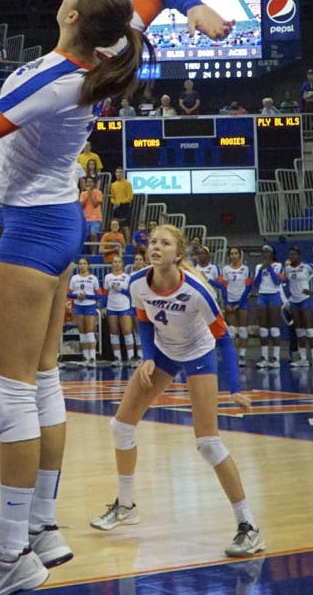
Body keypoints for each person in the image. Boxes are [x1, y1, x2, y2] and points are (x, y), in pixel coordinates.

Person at [0, 0, 234, 595]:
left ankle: (10, 554)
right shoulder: (108, 51)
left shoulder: (59, 80)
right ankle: (44, 528)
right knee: (43, 381)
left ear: (74, 15)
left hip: (31, 228)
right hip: (58, 221)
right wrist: (199, 9)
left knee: (12, 393)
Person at [89, 225, 264, 558]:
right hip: (164, 351)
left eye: (165, 243)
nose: (156, 246)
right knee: (121, 426)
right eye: (153, 241)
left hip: (199, 352)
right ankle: (126, 506)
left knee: (207, 443)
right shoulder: (137, 282)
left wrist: (236, 388)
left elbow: (224, 339)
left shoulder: (197, 290)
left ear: (178, 254)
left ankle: (249, 527)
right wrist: (149, 358)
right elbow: (142, 319)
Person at [283, 246, 313, 369]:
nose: (291, 257)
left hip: (306, 300)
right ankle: (303, 359)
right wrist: (289, 292)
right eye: (290, 254)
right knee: (299, 331)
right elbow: (283, 282)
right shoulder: (287, 269)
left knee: (309, 329)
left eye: (293, 254)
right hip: (294, 302)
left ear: (298, 255)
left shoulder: (308, 266)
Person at [217, 247, 252, 367]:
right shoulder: (225, 269)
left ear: (240, 255)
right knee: (231, 331)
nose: (233, 256)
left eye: (236, 253)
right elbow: (223, 287)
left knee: (243, 329)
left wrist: (240, 303)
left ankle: (242, 356)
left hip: (242, 302)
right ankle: (232, 356)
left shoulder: (246, 269)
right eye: (231, 254)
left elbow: (248, 287)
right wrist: (226, 302)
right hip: (230, 302)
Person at [252, 246, 286, 369]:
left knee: (274, 328)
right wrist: (262, 269)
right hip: (262, 295)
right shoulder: (258, 267)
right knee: (263, 329)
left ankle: (275, 358)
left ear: (272, 253)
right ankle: (264, 357)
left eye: (267, 251)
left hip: (274, 295)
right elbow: (255, 284)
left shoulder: (278, 266)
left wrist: (269, 268)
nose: (265, 253)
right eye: (263, 252)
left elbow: (278, 281)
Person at [67, 256, 101, 367]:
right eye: (80, 264)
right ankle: (86, 358)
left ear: (88, 265)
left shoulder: (93, 278)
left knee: (90, 332)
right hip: (78, 306)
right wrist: (77, 295)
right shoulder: (74, 278)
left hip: (89, 306)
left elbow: (99, 295)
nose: (82, 266)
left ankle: (92, 358)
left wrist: (87, 296)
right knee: (82, 332)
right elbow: (68, 294)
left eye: (84, 263)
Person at [103, 255, 135, 367]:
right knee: (114, 333)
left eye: (118, 261)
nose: (116, 264)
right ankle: (117, 358)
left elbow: (131, 293)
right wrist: (103, 306)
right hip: (111, 307)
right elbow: (105, 293)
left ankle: (131, 357)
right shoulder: (108, 277)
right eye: (114, 262)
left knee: (127, 331)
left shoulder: (127, 277)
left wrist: (121, 290)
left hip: (124, 307)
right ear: (112, 264)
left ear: (122, 263)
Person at [79, 176, 103, 254]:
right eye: (88, 182)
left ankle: (93, 253)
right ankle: (84, 253)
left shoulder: (98, 192)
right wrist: (87, 195)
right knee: (84, 236)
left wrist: (90, 194)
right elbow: (81, 205)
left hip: (96, 218)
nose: (89, 183)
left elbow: (95, 204)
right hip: (85, 218)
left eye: (91, 182)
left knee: (93, 234)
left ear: (94, 183)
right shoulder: (82, 193)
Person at [109, 166, 133, 239]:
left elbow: (130, 197)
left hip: (125, 207)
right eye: (117, 172)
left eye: (120, 172)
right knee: (117, 226)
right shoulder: (113, 185)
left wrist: (120, 202)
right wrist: (114, 202)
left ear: (123, 173)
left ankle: (128, 243)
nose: (118, 174)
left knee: (126, 227)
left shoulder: (127, 184)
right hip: (116, 207)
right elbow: (112, 197)